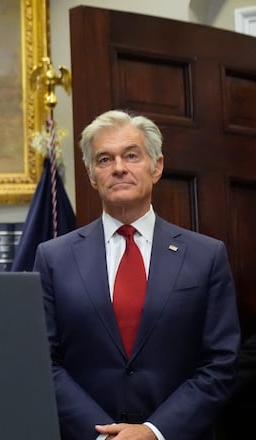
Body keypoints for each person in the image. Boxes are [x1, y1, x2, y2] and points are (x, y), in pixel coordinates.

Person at [33, 110, 239, 440]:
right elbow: (42, 360)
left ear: (156, 167)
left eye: (131, 155)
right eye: (104, 159)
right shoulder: (53, 257)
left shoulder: (206, 256)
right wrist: (101, 434)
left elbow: (220, 364)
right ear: (91, 174)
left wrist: (154, 432)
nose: (118, 168)